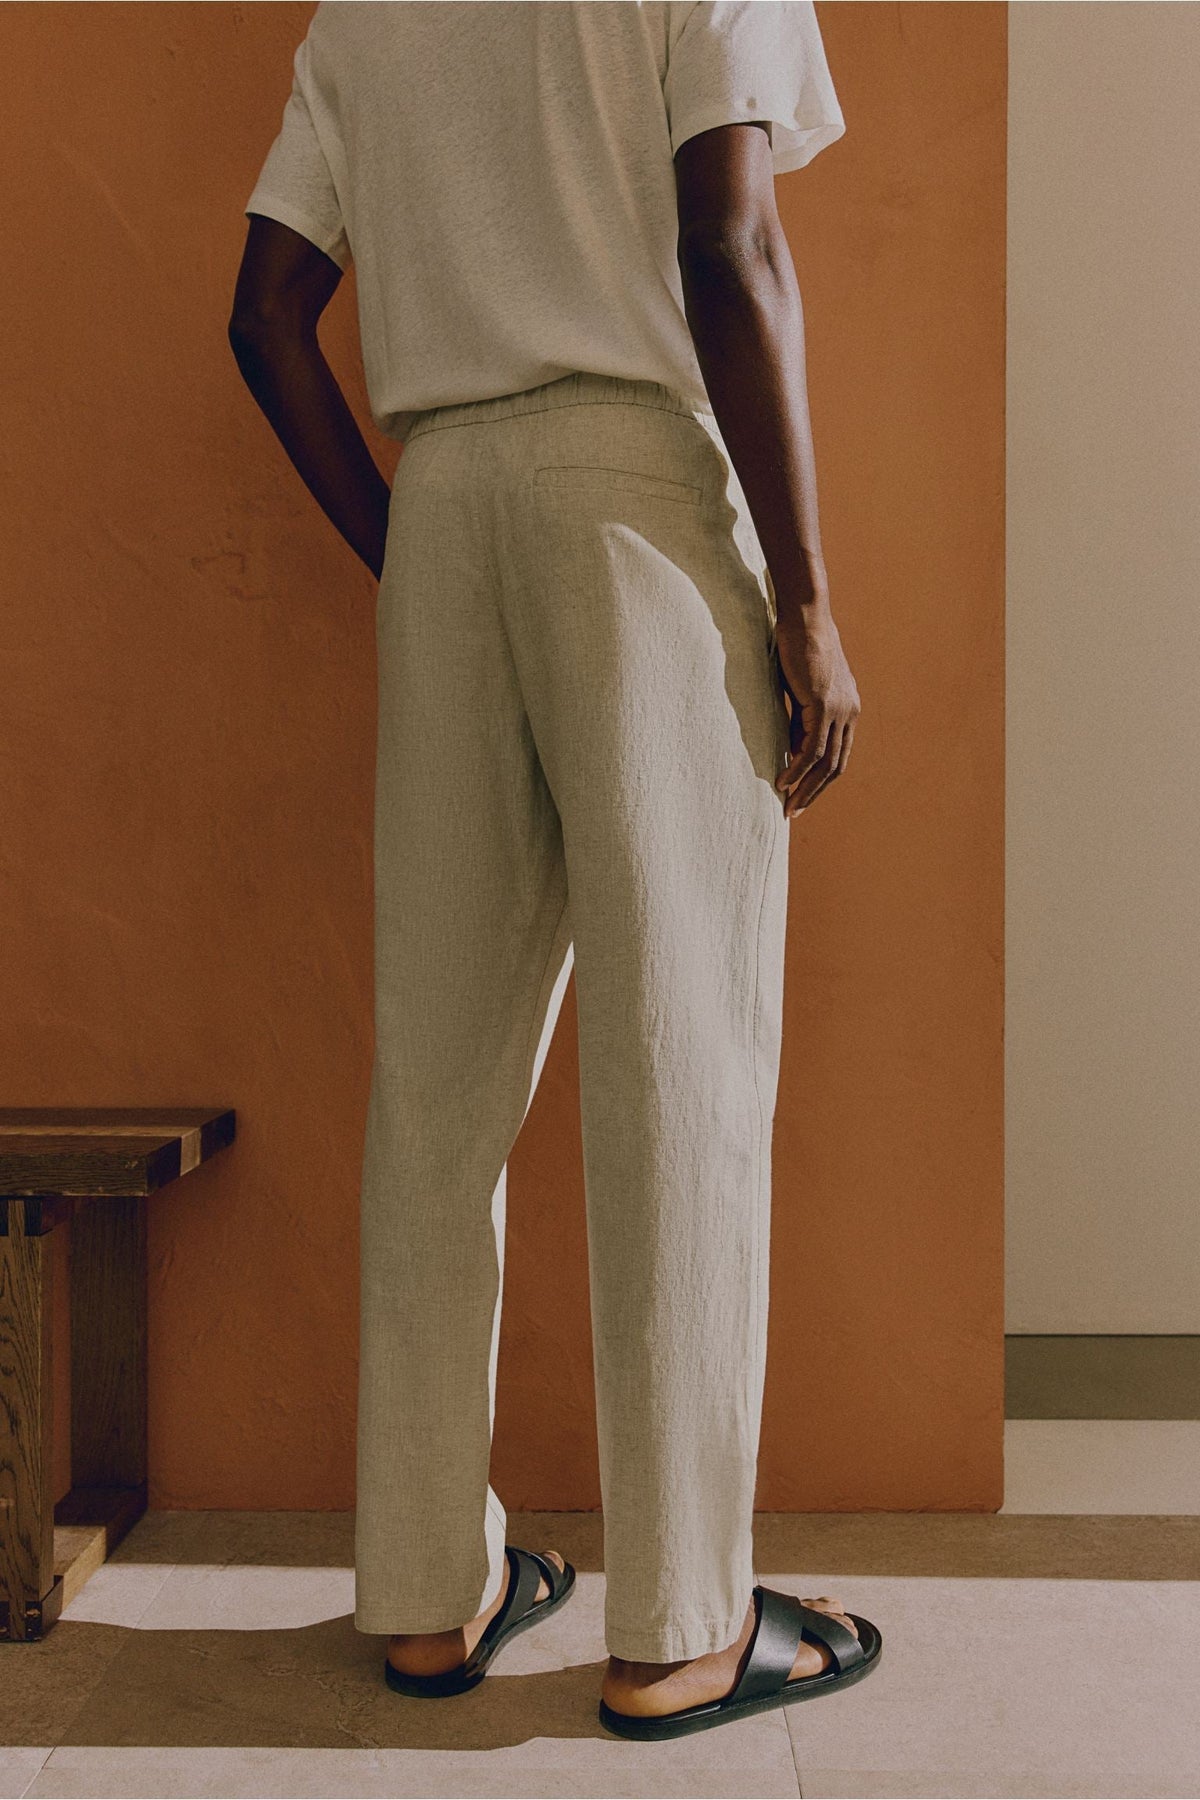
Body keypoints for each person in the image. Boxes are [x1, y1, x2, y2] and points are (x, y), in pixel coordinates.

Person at [229, 0, 878, 1742]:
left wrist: (411, 546)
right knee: (680, 1072)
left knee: (437, 1092)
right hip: (633, 498)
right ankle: (680, 1629)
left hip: (444, 501)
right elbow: (732, 248)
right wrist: (809, 603)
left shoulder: (363, 13)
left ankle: (429, 1596)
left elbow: (267, 312)